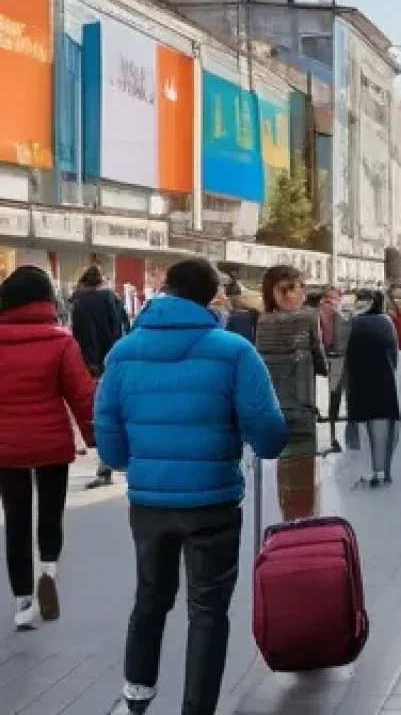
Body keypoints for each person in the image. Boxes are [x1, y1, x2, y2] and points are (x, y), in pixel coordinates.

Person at [95, 259, 288, 715]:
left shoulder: (123, 352)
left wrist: (133, 464)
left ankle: (136, 695)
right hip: (213, 500)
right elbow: (268, 432)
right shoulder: (234, 351)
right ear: (210, 296)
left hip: (149, 502)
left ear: (166, 288)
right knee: (207, 609)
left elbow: (108, 434)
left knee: (150, 597)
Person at [0, 266, 96, 630]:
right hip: (51, 443)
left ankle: (23, 603)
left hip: (6, 446)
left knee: (16, 519)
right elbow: (82, 395)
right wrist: (95, 439)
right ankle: (49, 571)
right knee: (51, 511)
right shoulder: (61, 341)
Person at [255, 266, 328, 519]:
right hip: (301, 401)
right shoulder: (308, 318)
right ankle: (304, 523)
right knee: (304, 467)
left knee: (285, 466)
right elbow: (321, 362)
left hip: (273, 404)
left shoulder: (262, 321)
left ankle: (289, 519)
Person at [70, 265, 131, 489]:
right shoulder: (114, 299)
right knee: (119, 411)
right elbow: (126, 327)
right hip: (119, 361)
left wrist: (90, 364)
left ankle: (105, 467)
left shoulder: (81, 303)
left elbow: (82, 336)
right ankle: (115, 462)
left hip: (94, 365)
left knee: (102, 415)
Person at [346, 289, 401, 485]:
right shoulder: (385, 322)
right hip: (382, 378)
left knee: (362, 426)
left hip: (357, 379)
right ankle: (383, 469)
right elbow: (393, 352)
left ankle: (367, 470)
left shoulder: (352, 322)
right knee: (382, 426)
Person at [317, 286, 353, 453]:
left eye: (335, 298)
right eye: (329, 299)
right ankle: (335, 438)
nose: (331, 302)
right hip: (334, 358)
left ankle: (338, 437)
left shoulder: (342, 314)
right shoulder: (323, 314)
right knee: (337, 398)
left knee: (339, 398)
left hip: (339, 358)